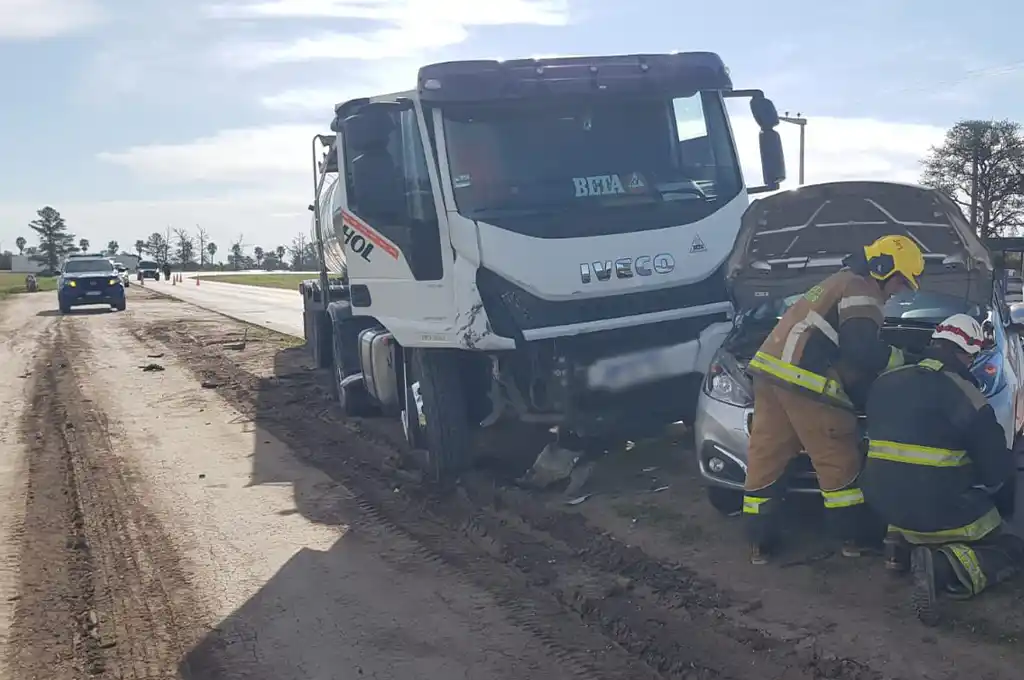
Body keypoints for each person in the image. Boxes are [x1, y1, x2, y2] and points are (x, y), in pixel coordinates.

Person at [743, 234, 925, 565]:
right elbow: (862, 350)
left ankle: (759, 544)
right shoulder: (863, 290)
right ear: (884, 268)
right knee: (838, 459)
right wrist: (907, 360)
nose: (900, 291)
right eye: (901, 282)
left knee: (765, 459)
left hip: (769, 376)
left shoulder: (838, 281)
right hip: (806, 382)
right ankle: (854, 540)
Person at [860, 313, 1023, 625]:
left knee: (907, 484)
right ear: (968, 354)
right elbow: (995, 474)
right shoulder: (966, 395)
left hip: (884, 506)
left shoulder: (884, 382)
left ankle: (898, 550)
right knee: (1010, 545)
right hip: (937, 510)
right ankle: (942, 567)